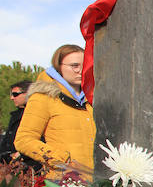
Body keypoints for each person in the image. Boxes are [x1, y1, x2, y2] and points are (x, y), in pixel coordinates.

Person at [15, 45, 96, 178]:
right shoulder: (43, 96)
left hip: (96, 183)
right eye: (74, 65)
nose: (80, 71)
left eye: (84, 64)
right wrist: (62, 160)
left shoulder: (91, 98)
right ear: (59, 67)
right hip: (64, 182)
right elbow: (23, 140)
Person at [0, 81, 39, 167]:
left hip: (31, 167)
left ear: (29, 93)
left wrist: (20, 154)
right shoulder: (15, 115)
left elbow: (40, 140)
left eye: (15, 94)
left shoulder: (38, 114)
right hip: (10, 167)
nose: (12, 98)